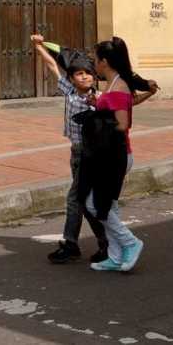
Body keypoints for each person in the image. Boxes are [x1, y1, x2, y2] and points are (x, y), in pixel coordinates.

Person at [35, 33, 111, 264]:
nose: (85, 77)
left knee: (76, 200)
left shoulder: (99, 99)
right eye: (79, 73)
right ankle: (104, 242)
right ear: (72, 78)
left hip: (89, 155)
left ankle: (72, 244)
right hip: (76, 153)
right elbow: (51, 64)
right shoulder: (68, 92)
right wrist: (39, 46)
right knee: (85, 203)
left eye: (88, 73)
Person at [80, 37, 148, 273]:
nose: (93, 64)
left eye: (95, 60)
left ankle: (130, 242)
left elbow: (121, 124)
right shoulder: (114, 85)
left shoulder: (118, 88)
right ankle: (115, 256)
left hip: (113, 156)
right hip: (110, 155)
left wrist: (94, 118)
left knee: (95, 204)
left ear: (105, 62)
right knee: (109, 206)